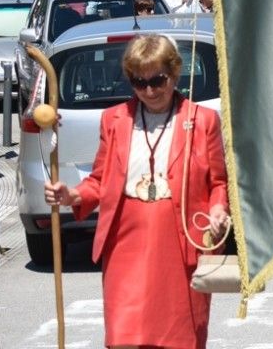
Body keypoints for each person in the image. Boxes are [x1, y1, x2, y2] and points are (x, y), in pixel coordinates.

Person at [45, 34, 230, 349]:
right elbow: (101, 180)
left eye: (157, 80)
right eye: (138, 82)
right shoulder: (114, 119)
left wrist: (218, 211)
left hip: (180, 241)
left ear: (174, 74)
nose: (149, 91)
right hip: (125, 242)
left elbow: (218, 182)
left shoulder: (202, 120)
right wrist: (73, 195)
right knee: (124, 336)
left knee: (179, 338)